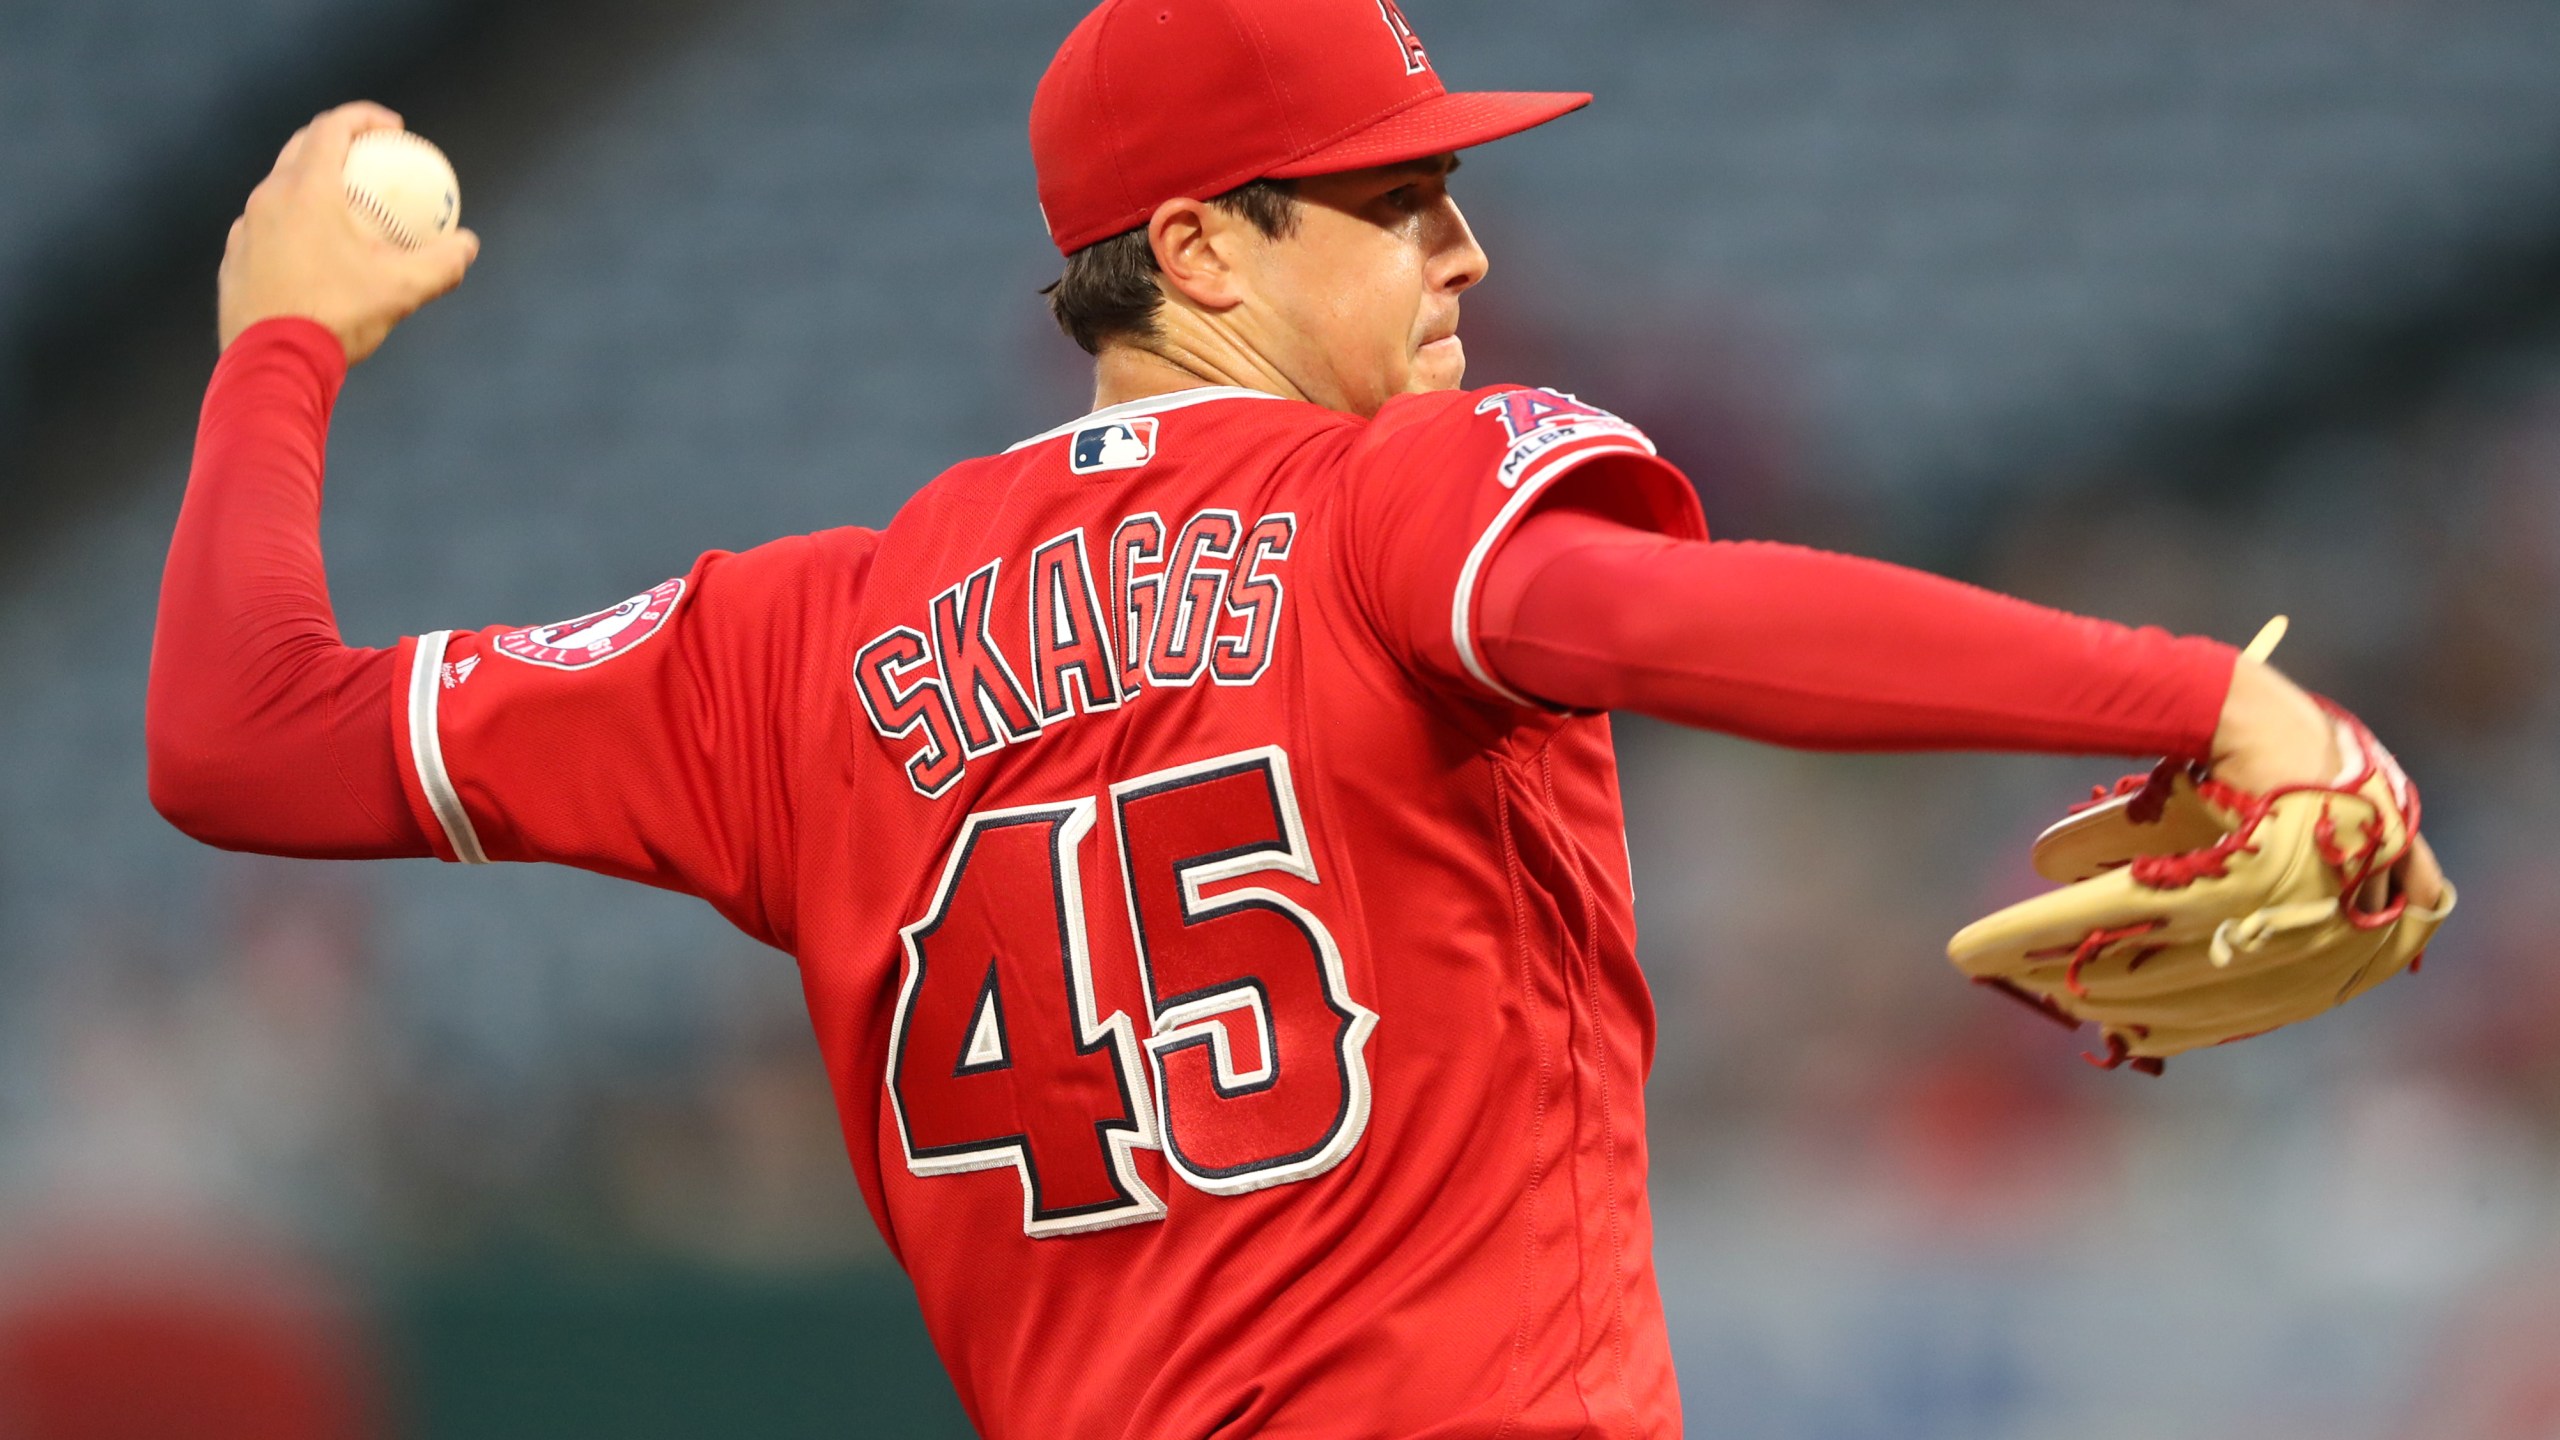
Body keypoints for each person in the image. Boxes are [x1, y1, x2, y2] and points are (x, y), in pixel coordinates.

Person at [146, 0, 2443, 1433]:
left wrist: (278, 349)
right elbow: (1658, 618)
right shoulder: (1382, 500)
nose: (1462, 254)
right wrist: (2189, 697)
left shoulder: (785, 643)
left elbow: (241, 734)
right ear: (1203, 252)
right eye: (1399, 199)